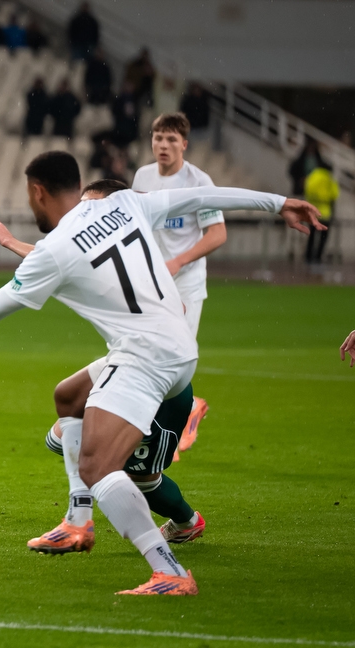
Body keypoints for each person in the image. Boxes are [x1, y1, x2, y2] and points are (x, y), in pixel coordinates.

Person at [0, 150, 324, 594]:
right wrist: (278, 202)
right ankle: (78, 522)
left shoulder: (56, 248)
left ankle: (168, 570)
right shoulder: (125, 203)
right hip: (179, 347)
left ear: (38, 192)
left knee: (98, 465)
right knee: (69, 396)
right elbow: (203, 197)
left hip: (145, 357)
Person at [0, 180, 205, 555]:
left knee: (140, 479)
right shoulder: (105, 251)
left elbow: (170, 319)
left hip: (159, 387)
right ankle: (79, 518)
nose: (83, 216)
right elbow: (63, 261)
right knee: (65, 423)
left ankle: (185, 525)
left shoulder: (141, 264)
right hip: (126, 372)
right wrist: (11, 243)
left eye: (91, 206)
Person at [131, 112, 226, 451]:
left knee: (175, 359)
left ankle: (179, 420)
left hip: (185, 282)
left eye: (171, 139)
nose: (163, 145)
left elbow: (218, 234)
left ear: (184, 144)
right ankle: (173, 420)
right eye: (158, 138)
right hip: (151, 284)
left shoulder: (199, 183)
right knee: (148, 354)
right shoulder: (142, 176)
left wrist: (179, 261)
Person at [303, 163, 338, 265]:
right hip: (325, 213)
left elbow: (306, 190)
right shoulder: (329, 178)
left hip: (312, 212)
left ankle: (308, 257)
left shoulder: (313, 176)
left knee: (312, 235)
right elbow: (334, 195)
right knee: (323, 237)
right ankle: (317, 257)